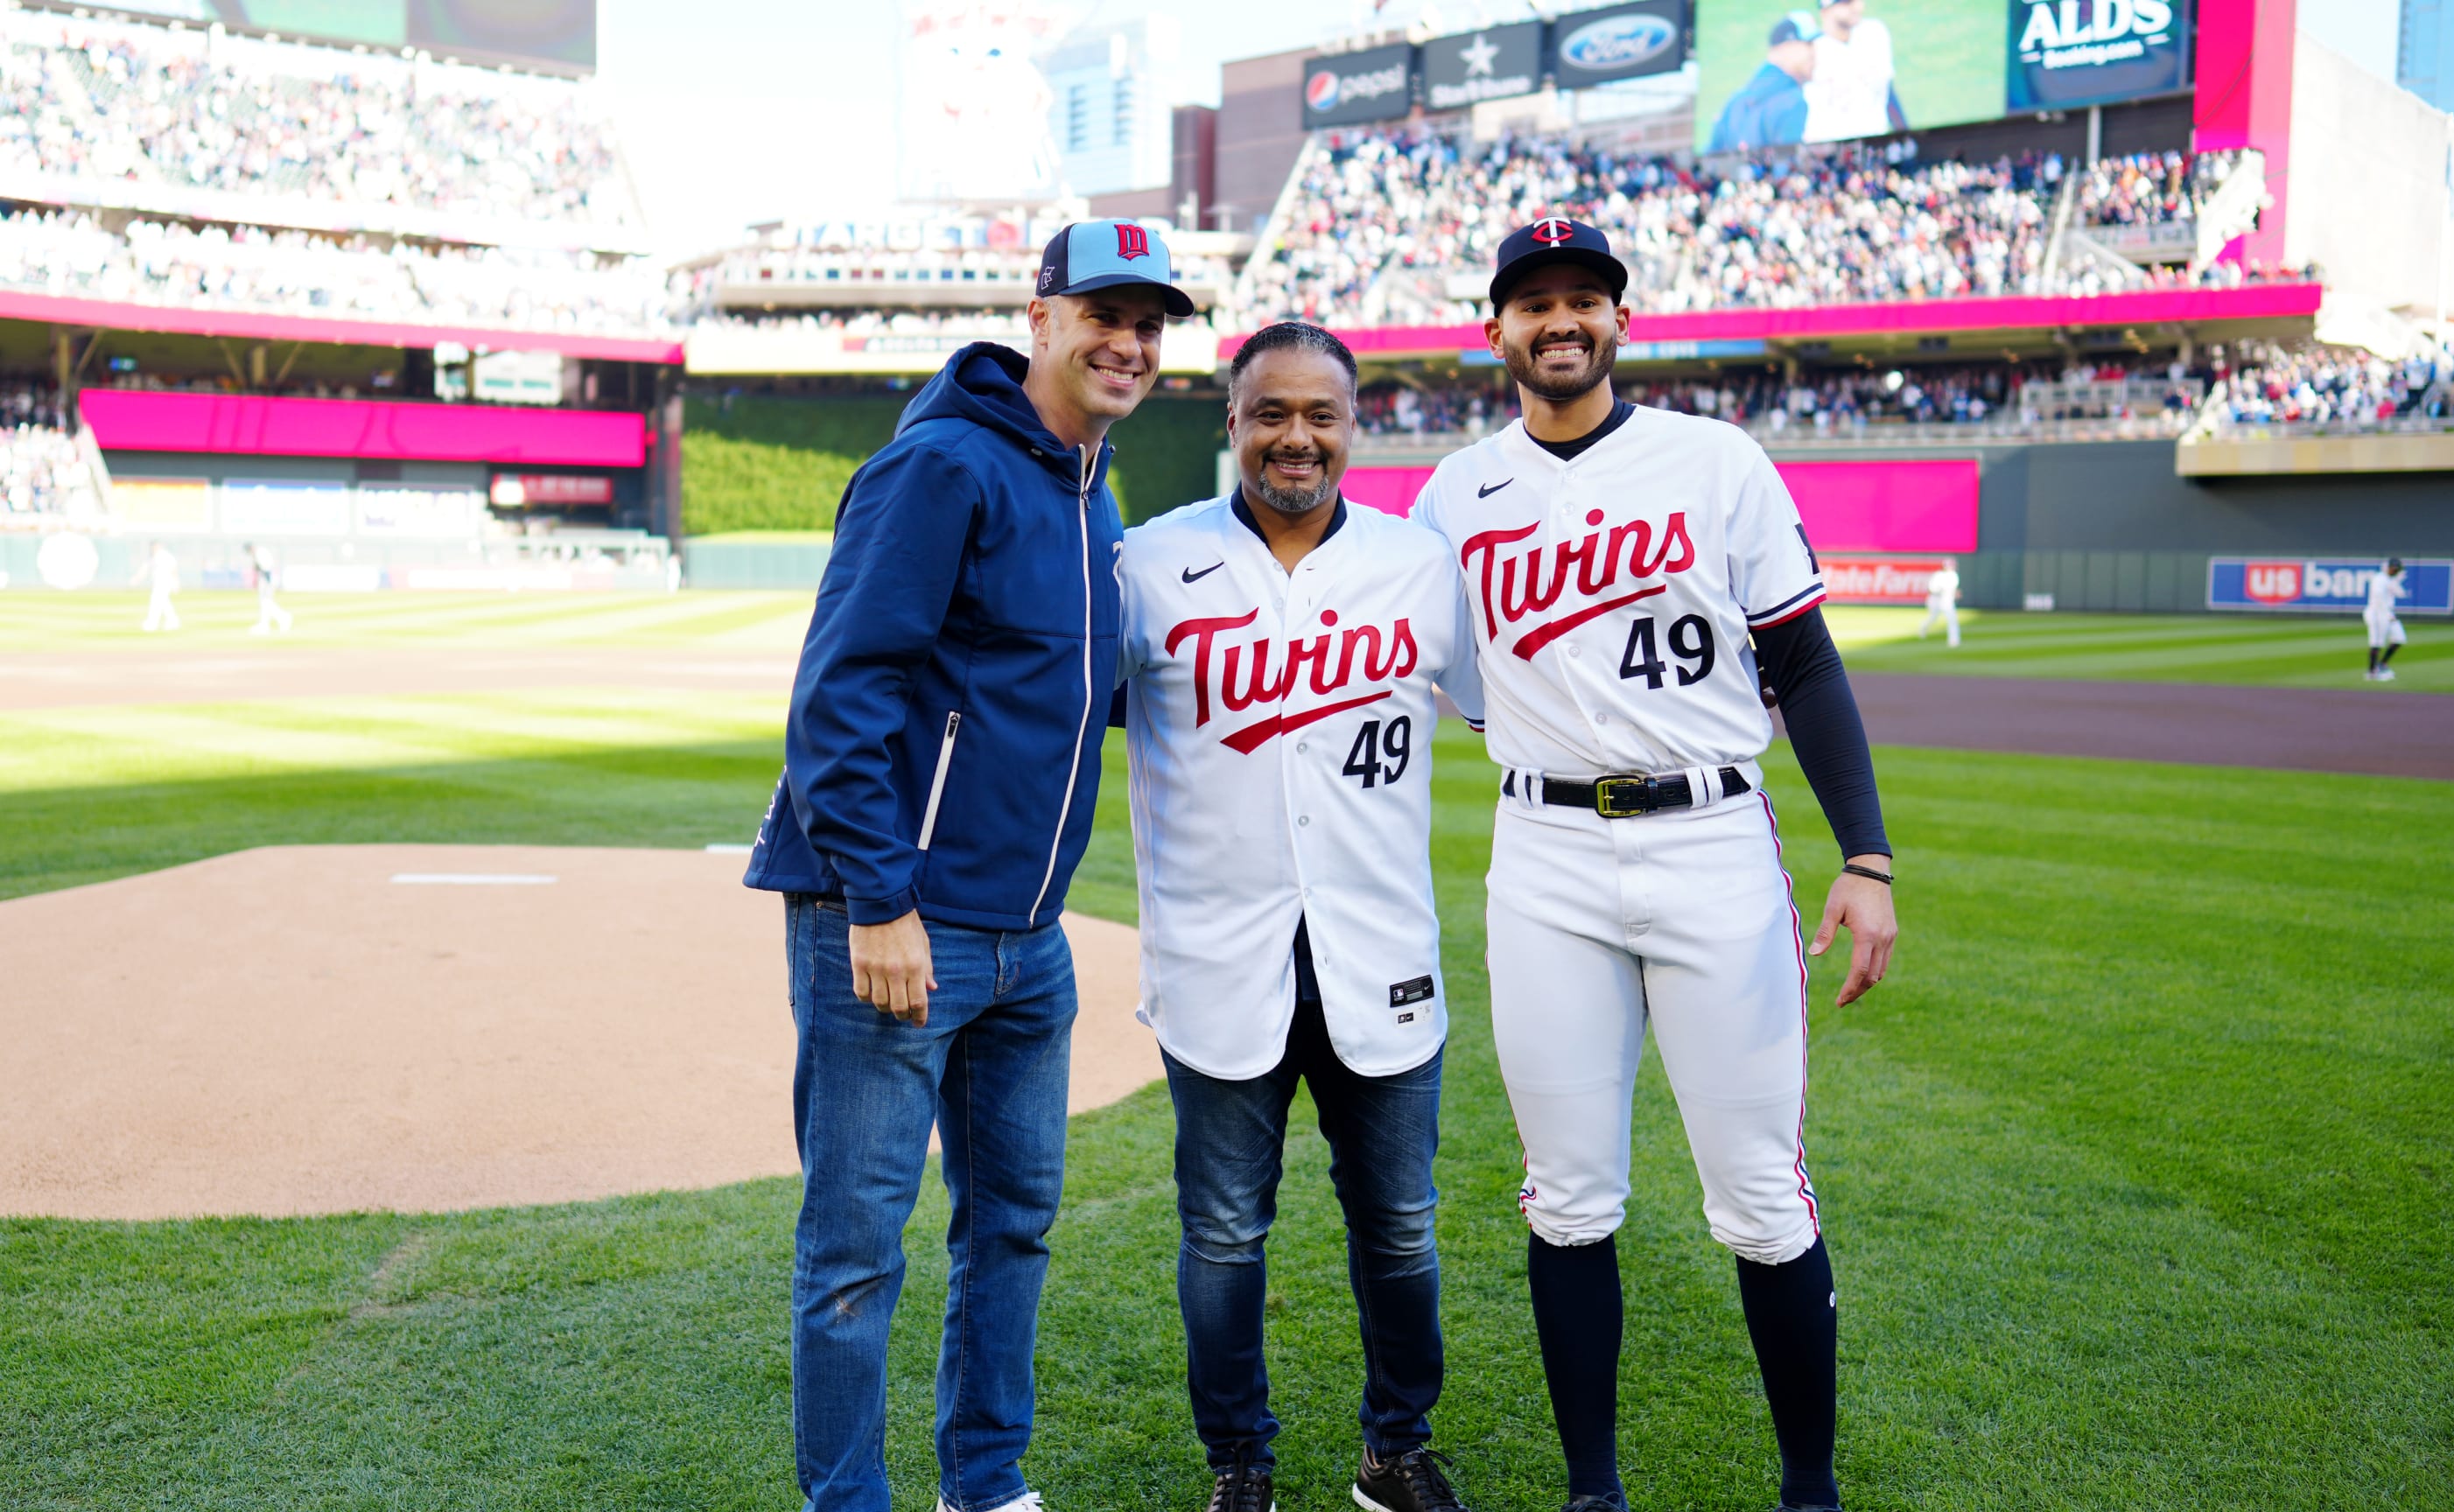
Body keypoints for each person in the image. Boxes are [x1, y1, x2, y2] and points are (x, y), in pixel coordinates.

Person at [1410, 220, 1899, 1512]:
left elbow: (1804, 664)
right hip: (1547, 852)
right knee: (1567, 1194)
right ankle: (1593, 1493)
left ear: (1617, 321)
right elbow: (1462, 688)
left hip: (1713, 843)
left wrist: (1869, 855)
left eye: (1584, 299)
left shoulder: (1713, 459)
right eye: (1534, 303)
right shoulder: (1454, 495)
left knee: (1759, 1195)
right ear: (1496, 329)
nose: (1559, 321)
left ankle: (1809, 1491)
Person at [740, 219, 1193, 1512]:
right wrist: (878, 898)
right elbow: (841, 696)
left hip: (1028, 942)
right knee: (854, 1252)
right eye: (1106, 312)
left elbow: (1069, 697)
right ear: (1040, 315)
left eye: (1151, 323)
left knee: (1011, 1229)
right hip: (894, 927)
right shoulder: (941, 467)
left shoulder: (1090, 483)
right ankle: (848, 1502)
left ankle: (984, 1482)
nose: (1130, 342)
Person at [1117, 321, 1483, 1512]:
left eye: (1320, 414)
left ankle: (1395, 1451)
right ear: (1231, 424)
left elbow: (1519, 712)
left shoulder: (1422, 566)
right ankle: (1241, 1465)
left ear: (1353, 425)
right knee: (1224, 1235)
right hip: (1218, 952)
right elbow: (1058, 716)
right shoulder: (1145, 563)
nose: (1295, 436)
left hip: (1381, 948)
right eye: (1270, 412)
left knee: (1404, 1232)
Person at [1707, 15, 1817, 152]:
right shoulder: (1793, 101)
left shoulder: (1735, 101)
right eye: (1808, 45)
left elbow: (1710, 155)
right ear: (1785, 47)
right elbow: (1787, 163)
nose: (1814, 53)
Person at [1803, 0, 1906, 144]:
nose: (1858, 6)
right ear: (1825, 10)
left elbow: (1887, 90)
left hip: (1874, 141)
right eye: (1847, 2)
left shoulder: (1874, 33)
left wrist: (1905, 134)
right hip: (1828, 146)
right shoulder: (1811, 50)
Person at [2365, 557, 2408, 682]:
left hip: (2388, 613)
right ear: (2388, 567)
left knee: (2400, 638)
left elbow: (2401, 594)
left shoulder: (2391, 579)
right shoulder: (2379, 578)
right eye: (2394, 568)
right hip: (2376, 613)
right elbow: (2378, 597)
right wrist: (2386, 613)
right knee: (2376, 642)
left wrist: (2396, 582)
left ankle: (2382, 665)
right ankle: (2372, 672)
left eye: (2397, 569)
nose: (2396, 570)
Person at [246, 542, 291, 634]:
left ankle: (280, 619)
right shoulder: (259, 553)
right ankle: (267, 623)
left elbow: (266, 568)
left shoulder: (260, 553)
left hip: (268, 579)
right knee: (265, 602)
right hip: (266, 579)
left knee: (266, 601)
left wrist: (267, 582)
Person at [138, 539, 180, 633]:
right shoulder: (152, 556)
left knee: (155, 601)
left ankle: (152, 624)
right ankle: (173, 621)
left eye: (155, 546)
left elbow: (173, 569)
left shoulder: (165, 556)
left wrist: (176, 583)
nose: (153, 548)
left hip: (165, 583)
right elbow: (145, 568)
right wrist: (137, 578)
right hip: (157, 583)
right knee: (164, 603)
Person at [1917, 560, 1960, 648]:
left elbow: (1953, 590)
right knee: (1933, 618)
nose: (1950, 567)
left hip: (1947, 600)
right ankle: (1923, 628)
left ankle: (1954, 640)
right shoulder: (1938, 575)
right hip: (1935, 599)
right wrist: (1941, 590)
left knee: (1952, 619)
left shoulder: (1954, 576)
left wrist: (1955, 593)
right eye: (1948, 566)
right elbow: (1931, 589)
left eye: (1952, 566)